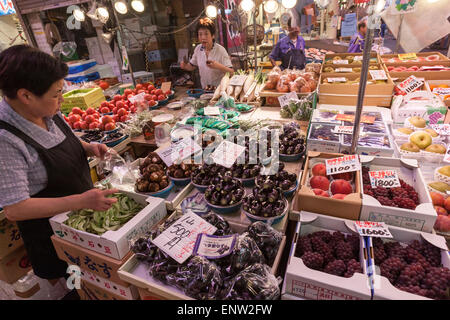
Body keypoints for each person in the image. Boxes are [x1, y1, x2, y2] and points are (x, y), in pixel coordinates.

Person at [0, 45, 118, 281]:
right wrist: (82, 200)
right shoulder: (5, 139)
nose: (61, 99)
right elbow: (15, 208)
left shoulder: (44, 109)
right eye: (56, 94)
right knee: (76, 287)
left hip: (83, 222)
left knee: (98, 281)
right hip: (53, 239)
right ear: (26, 95)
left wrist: (88, 148)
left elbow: (65, 141)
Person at [180, 18, 233, 89]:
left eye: (206, 34)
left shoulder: (220, 50)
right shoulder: (198, 49)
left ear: (213, 35)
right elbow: (192, 66)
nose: (203, 37)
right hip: (205, 90)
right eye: (200, 34)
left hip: (220, 91)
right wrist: (185, 66)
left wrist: (218, 66)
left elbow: (231, 72)